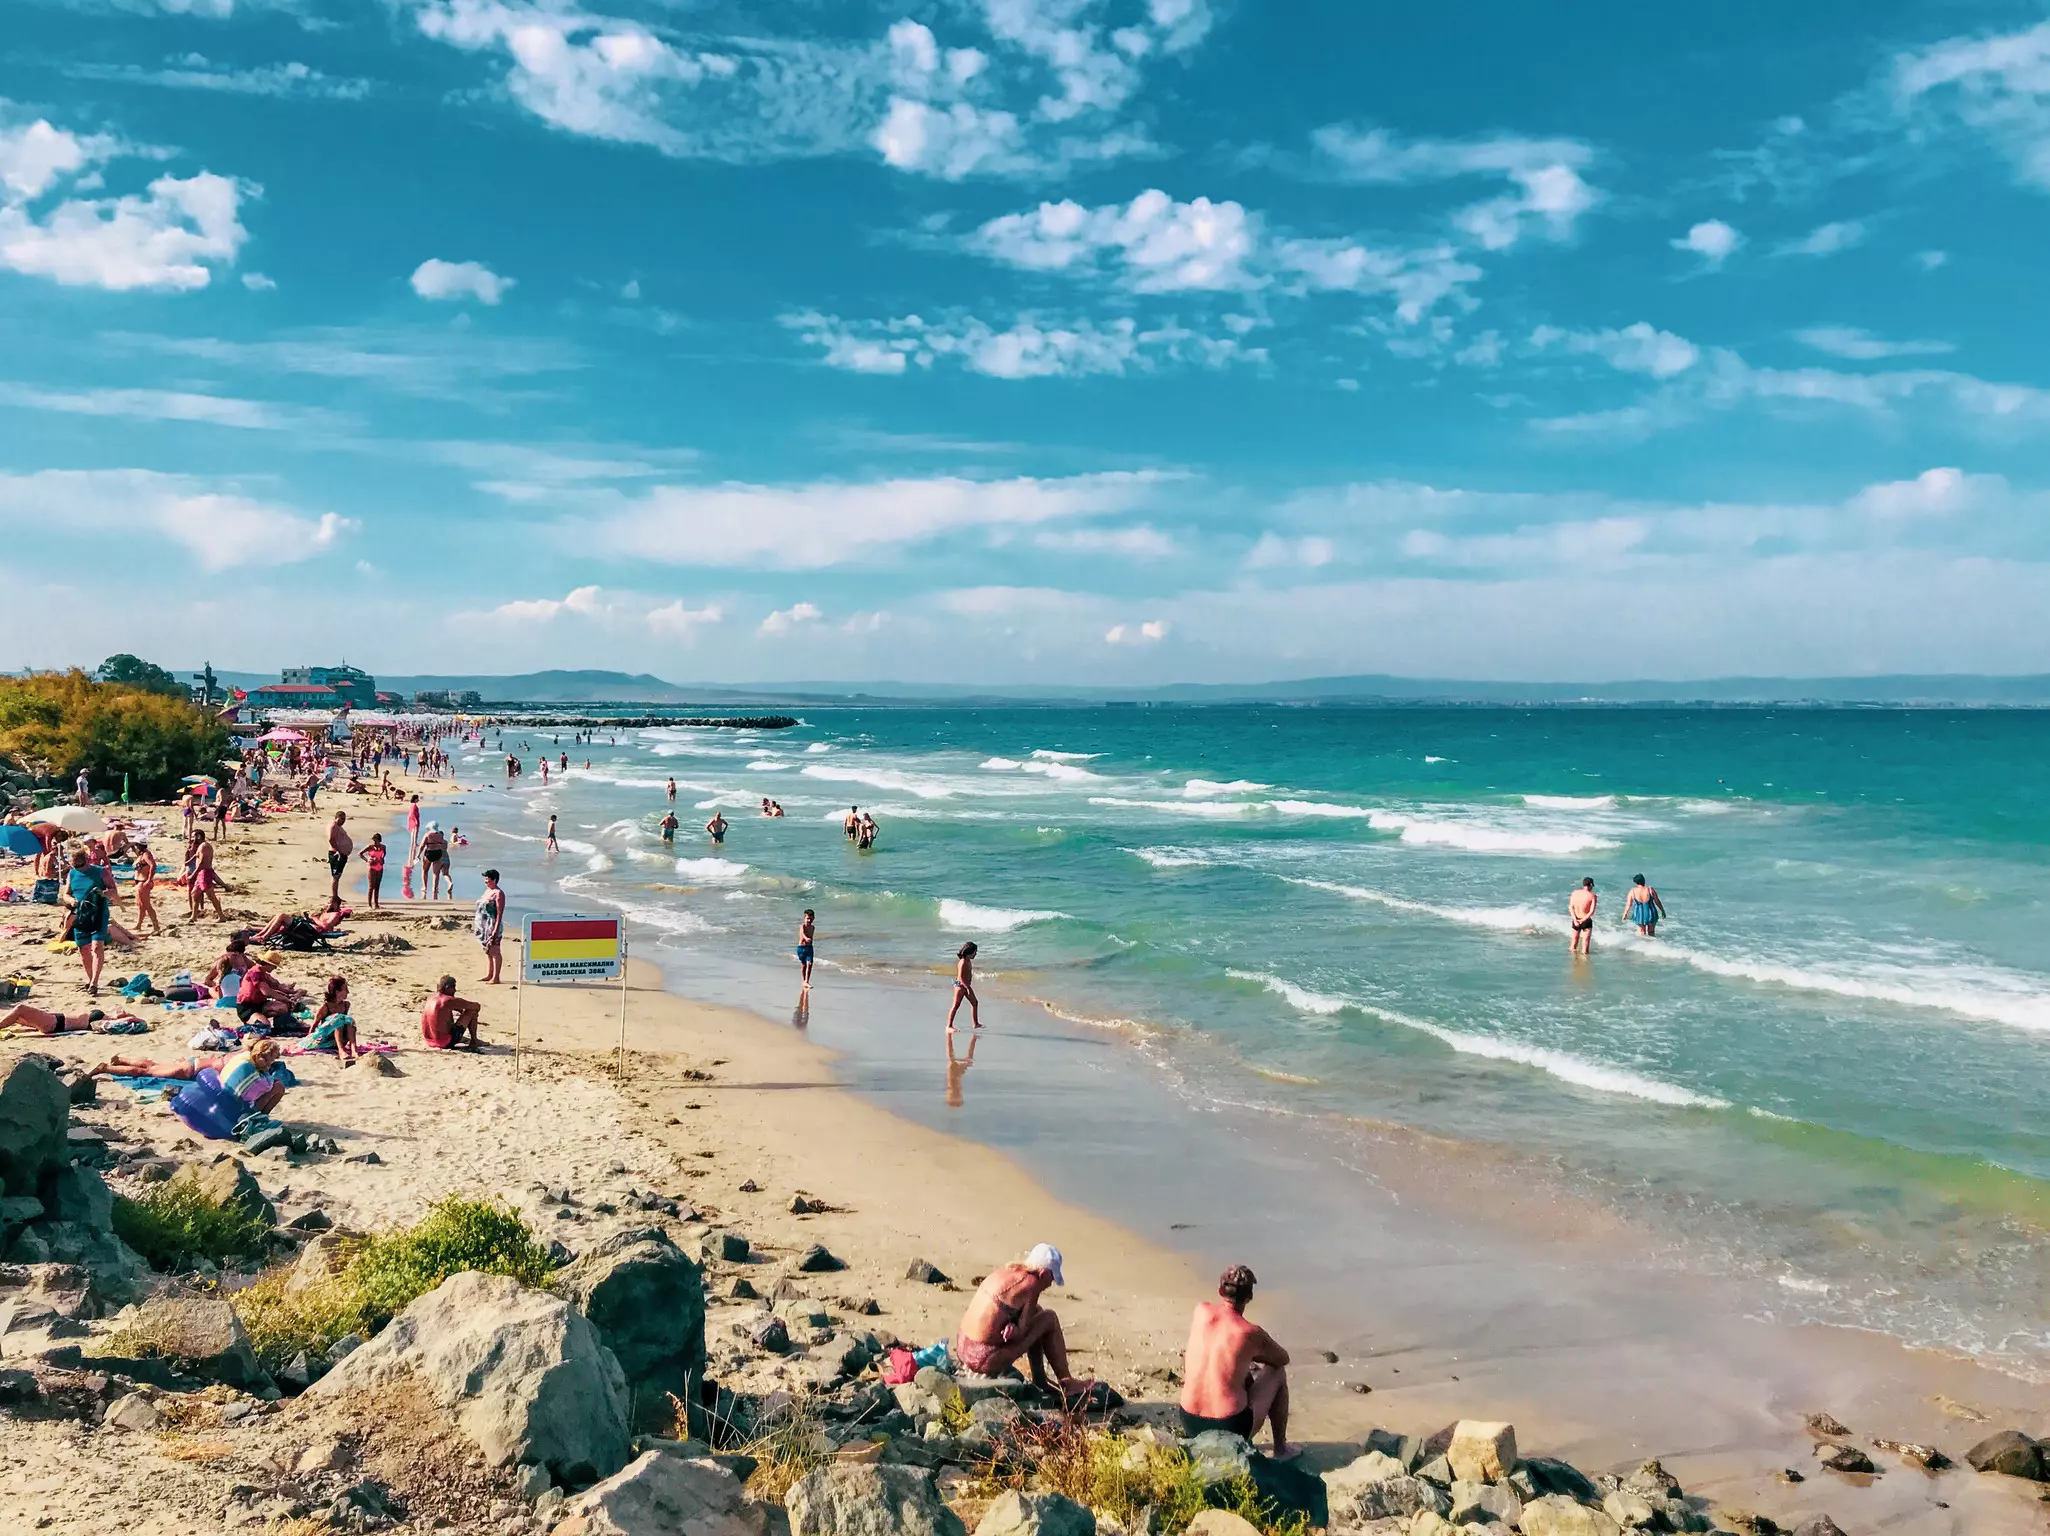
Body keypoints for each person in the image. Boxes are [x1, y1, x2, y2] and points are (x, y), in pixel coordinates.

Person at [1178, 1265, 1299, 1459]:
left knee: (1235, 1370)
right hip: (1228, 1427)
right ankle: (1280, 1449)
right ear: (1249, 1298)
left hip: (1189, 1420)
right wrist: (1253, 1355)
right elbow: (1282, 1358)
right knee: (1276, 1372)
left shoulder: (1201, 1311)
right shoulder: (1250, 1332)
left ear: (1220, 1291)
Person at [954, 1244, 1086, 1400]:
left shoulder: (1010, 1270)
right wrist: (1015, 1329)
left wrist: (1011, 1323)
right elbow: (1020, 1334)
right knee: (1049, 1318)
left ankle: (1040, 1380)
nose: (1050, 1285)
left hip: (964, 1348)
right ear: (1043, 1273)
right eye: (1052, 1278)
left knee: (1037, 1311)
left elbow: (999, 1311)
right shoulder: (1031, 1285)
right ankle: (1067, 1382)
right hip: (982, 1358)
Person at [66, 848, 111, 995]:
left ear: (87, 859)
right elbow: (66, 894)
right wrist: (71, 900)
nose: (79, 868)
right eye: (76, 866)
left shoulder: (100, 871)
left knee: (97, 946)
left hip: (99, 913)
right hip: (81, 915)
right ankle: (90, 979)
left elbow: (114, 891)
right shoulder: (72, 874)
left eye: (81, 865)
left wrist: (102, 893)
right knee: (83, 949)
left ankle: (94, 983)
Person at [421, 974, 482, 1049]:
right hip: (445, 1043)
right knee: (472, 1011)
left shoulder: (430, 998)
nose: (455, 990)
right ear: (447, 988)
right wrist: (464, 1011)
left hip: (429, 1041)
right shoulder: (448, 1000)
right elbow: (476, 1006)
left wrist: (458, 1008)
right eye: (453, 987)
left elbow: (442, 1008)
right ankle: (474, 1040)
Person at [310, 976, 360, 1064]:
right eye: (345, 989)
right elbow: (314, 1025)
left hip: (341, 1039)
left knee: (349, 1021)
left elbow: (346, 1024)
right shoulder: (325, 1007)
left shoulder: (346, 1005)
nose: (348, 992)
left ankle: (353, 1049)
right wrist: (311, 1040)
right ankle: (341, 1051)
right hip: (327, 1039)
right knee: (338, 1021)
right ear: (337, 992)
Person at [476, 868, 507, 984]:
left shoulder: (499, 893)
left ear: (494, 880)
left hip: (492, 925)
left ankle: (496, 977)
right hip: (483, 926)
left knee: (495, 950)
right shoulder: (487, 891)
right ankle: (490, 974)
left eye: (487, 879)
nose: (485, 882)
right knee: (488, 950)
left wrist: (495, 928)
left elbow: (500, 913)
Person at [0, 1003, 105, 1036]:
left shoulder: (102, 1020)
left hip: (56, 1023)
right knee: (17, 1016)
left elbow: (115, 1021)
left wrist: (120, 1016)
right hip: (56, 1021)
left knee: (20, 1008)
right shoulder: (90, 1019)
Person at [188, 831, 225, 920]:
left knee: (211, 896)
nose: (192, 839)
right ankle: (193, 917)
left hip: (204, 873)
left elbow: (202, 862)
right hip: (201, 874)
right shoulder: (201, 846)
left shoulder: (204, 846)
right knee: (194, 894)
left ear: (199, 836)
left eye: (194, 836)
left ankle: (221, 916)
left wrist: (193, 874)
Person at [947, 941, 981, 1033]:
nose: (976, 954)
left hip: (965, 985)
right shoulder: (962, 962)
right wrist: (968, 988)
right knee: (956, 1005)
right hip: (960, 985)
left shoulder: (968, 961)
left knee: (975, 1003)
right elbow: (961, 978)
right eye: (975, 952)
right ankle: (949, 1026)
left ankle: (975, 1023)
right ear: (969, 952)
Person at [131, 840, 162, 937]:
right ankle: (139, 924)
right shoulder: (141, 855)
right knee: (141, 905)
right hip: (139, 881)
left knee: (146, 905)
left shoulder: (146, 855)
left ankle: (156, 926)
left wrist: (149, 879)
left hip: (143, 882)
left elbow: (153, 865)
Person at [326, 811, 353, 912]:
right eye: (341, 819)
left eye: (344, 819)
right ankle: (334, 896)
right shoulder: (333, 826)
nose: (343, 821)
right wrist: (339, 851)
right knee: (335, 876)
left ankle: (335, 895)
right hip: (336, 854)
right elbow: (331, 840)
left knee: (338, 876)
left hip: (341, 854)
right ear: (336, 817)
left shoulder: (338, 827)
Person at [420, 822, 452, 899]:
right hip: (441, 856)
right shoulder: (441, 838)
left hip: (429, 854)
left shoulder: (428, 835)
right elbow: (442, 847)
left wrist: (417, 855)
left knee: (425, 870)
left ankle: (425, 887)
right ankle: (435, 888)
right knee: (437, 873)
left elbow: (422, 846)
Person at [1569, 876, 1598, 956]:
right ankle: (1584, 964)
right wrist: (1582, 920)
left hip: (1576, 919)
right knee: (1585, 945)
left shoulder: (1575, 893)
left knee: (1573, 943)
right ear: (1591, 885)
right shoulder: (1592, 896)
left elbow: (1571, 907)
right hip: (1586, 921)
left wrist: (1575, 920)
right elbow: (1591, 912)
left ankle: (1573, 962)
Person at [363, 833, 387, 910]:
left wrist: (382, 859)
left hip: (380, 867)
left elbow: (384, 854)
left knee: (377, 886)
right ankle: (369, 905)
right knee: (371, 886)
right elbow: (360, 853)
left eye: (376, 841)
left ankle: (376, 904)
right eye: (373, 840)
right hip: (372, 867)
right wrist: (367, 860)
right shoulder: (370, 847)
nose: (374, 842)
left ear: (379, 840)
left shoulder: (383, 847)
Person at [796, 908, 816, 989]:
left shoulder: (813, 927)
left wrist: (810, 941)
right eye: (807, 918)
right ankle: (804, 980)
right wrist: (806, 938)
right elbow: (803, 934)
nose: (809, 920)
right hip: (801, 948)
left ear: (814, 918)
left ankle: (807, 981)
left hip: (809, 948)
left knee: (810, 964)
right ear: (804, 918)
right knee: (804, 965)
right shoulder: (802, 926)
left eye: (811, 919)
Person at [406, 794, 422, 861]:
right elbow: (412, 813)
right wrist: (415, 821)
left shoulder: (411, 805)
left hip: (412, 820)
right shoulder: (414, 805)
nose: (418, 800)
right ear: (415, 799)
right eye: (417, 798)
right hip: (414, 820)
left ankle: (413, 843)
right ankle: (414, 844)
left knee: (413, 832)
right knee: (415, 832)